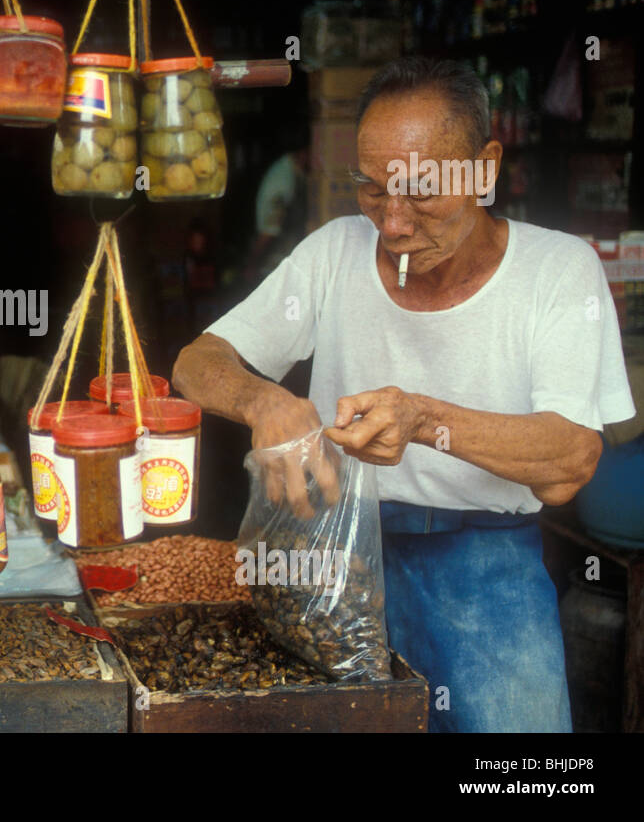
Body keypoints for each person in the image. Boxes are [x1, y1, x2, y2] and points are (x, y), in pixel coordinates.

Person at [172, 57, 635, 733]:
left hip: (488, 575)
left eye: (420, 190)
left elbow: (570, 458)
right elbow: (195, 362)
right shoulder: (334, 253)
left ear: (484, 168)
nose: (391, 221)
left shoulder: (557, 272)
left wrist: (421, 417)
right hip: (338, 558)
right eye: (370, 187)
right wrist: (263, 401)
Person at [244, 133, 308, 280]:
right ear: (303, 153)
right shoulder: (283, 181)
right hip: (274, 266)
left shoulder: (294, 171)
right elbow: (269, 230)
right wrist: (252, 265)